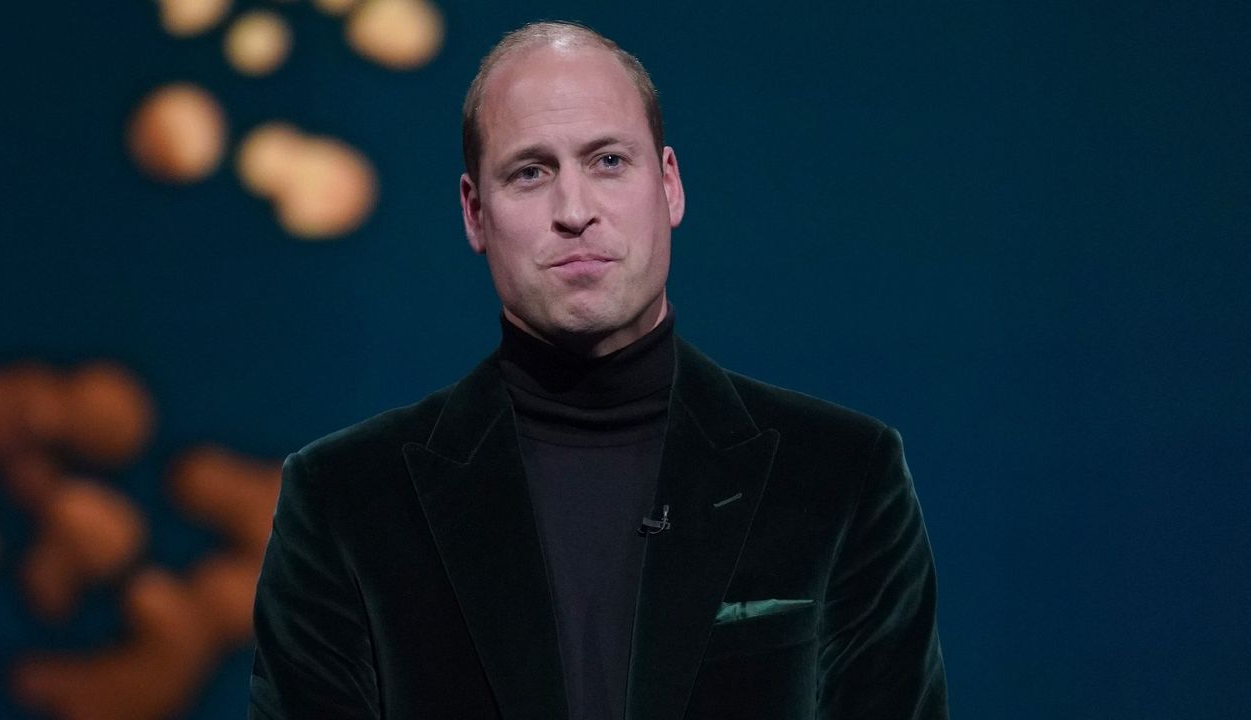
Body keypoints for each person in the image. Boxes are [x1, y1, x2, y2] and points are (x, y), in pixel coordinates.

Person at [249, 21, 948, 720]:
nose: (574, 211)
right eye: (531, 172)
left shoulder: (842, 477)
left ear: (669, 186)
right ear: (475, 213)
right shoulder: (345, 501)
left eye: (608, 161)